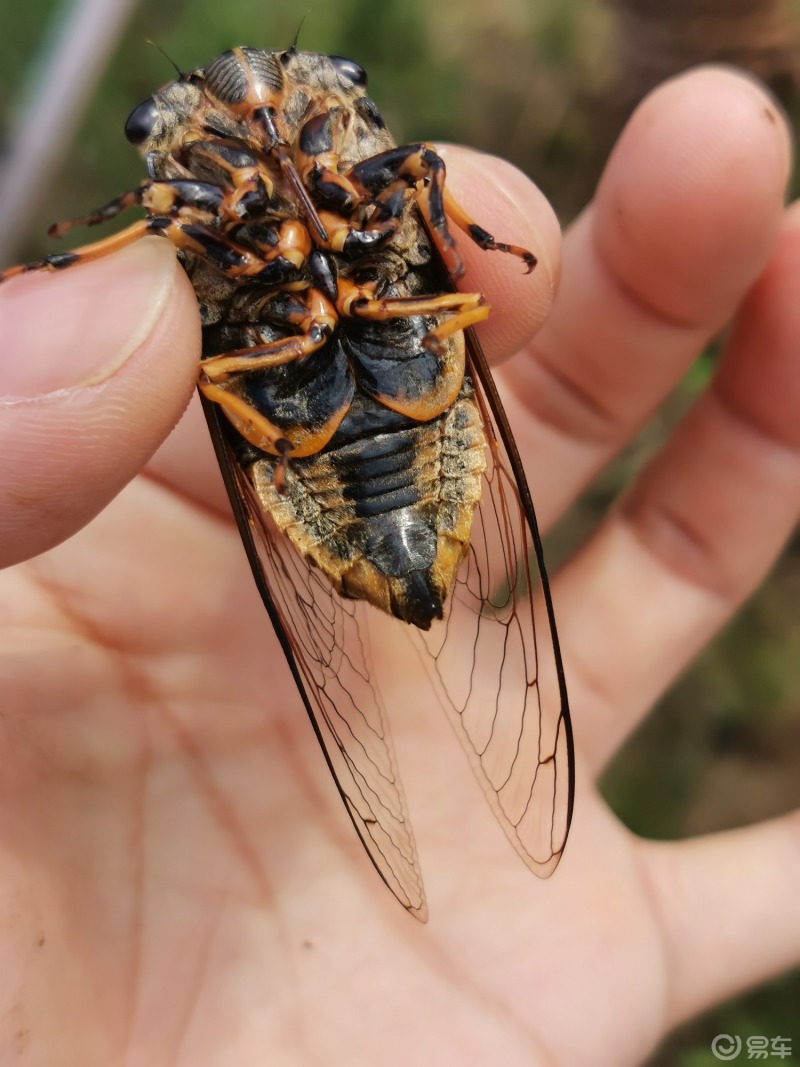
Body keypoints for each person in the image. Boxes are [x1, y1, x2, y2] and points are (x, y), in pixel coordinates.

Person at [0, 66, 797, 1064]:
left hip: (375, 394)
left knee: (477, 269)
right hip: (318, 431)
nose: (258, 102)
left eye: (305, 92)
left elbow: (429, 194)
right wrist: (102, 257)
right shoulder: (184, 209)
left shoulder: (370, 174)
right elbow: (148, 238)